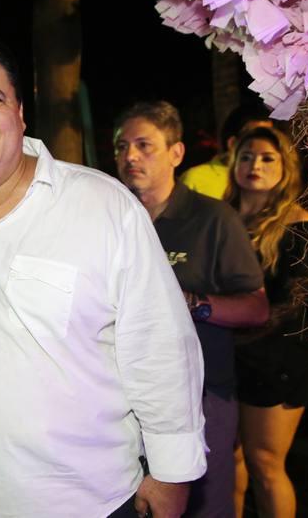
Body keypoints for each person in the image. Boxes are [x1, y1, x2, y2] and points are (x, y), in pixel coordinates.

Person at [0, 36, 206, 518]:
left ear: (20, 114)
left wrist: (172, 472)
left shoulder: (102, 205)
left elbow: (159, 345)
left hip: (92, 499)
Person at [114, 101, 268, 517]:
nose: (130, 156)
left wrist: (191, 304)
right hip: (125, 398)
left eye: (144, 145)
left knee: (203, 508)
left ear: (176, 153)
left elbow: (257, 308)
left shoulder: (213, 219)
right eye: (122, 146)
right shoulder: (111, 219)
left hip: (202, 395)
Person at [225, 126, 308, 518]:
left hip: (277, 359)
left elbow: (294, 304)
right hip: (225, 359)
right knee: (229, 460)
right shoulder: (222, 218)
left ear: (286, 167)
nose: (256, 165)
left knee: (265, 462)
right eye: (247, 157)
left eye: (268, 158)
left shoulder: (299, 224)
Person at [179, 104, 272, 199]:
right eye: (256, 139)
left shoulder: (274, 179)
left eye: (270, 139)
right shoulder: (196, 179)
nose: (265, 145)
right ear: (232, 143)